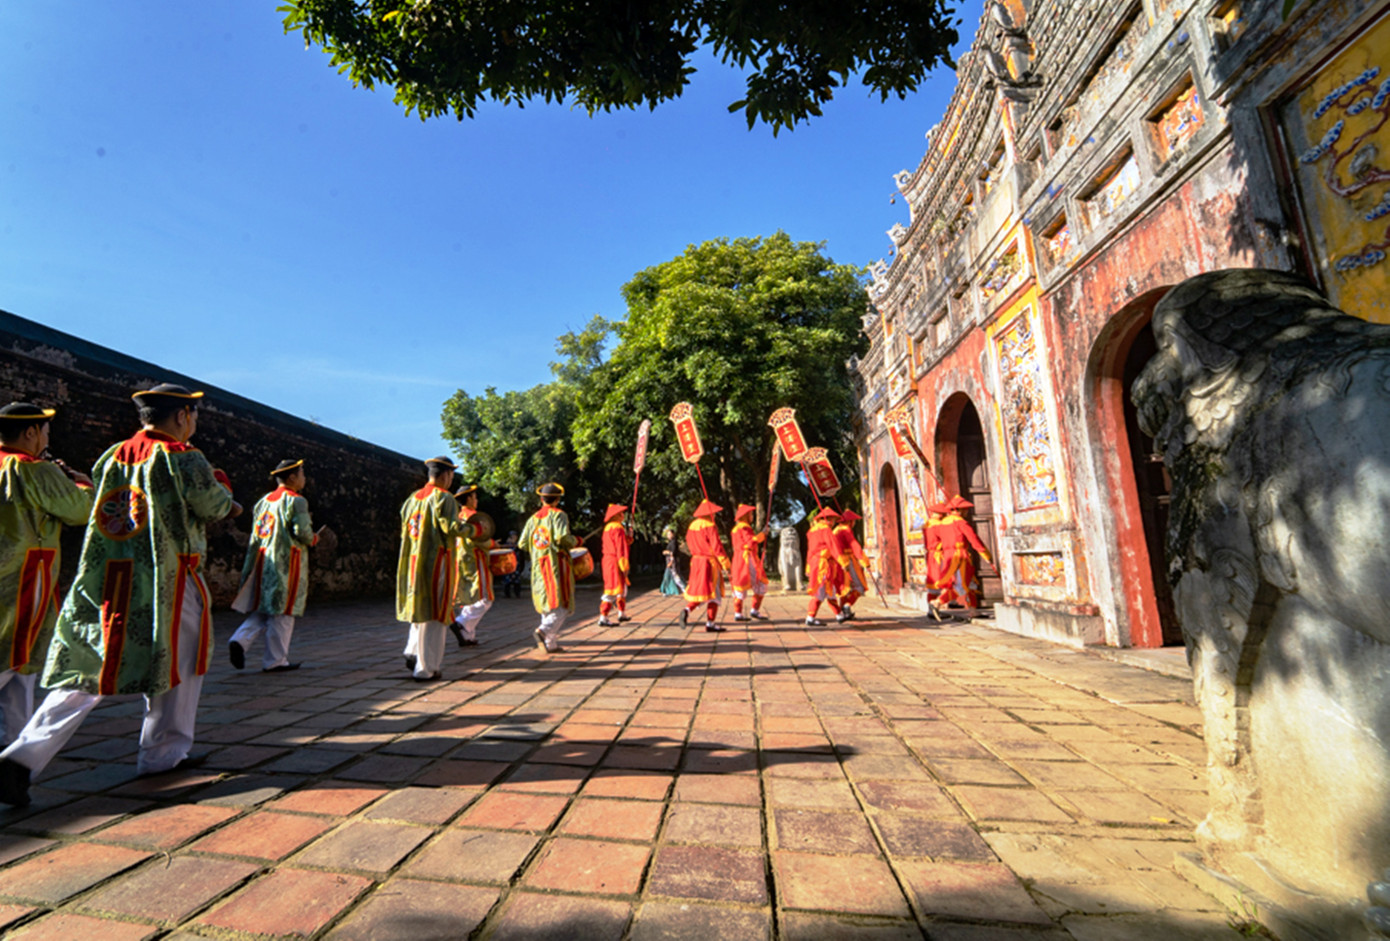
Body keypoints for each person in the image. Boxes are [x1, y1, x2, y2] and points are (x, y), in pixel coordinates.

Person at [0, 383, 236, 806]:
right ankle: (164, 752)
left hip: (109, 577)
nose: (194, 423)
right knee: (181, 663)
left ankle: (22, 757)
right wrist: (225, 491)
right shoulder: (185, 458)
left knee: (91, 670)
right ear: (181, 416)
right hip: (169, 578)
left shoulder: (111, 456)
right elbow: (213, 506)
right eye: (193, 415)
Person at [0, 403, 93, 749]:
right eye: (44, 431)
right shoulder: (34, 470)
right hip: (22, 578)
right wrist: (82, 485)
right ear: (30, 433)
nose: (46, 439)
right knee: (13, 656)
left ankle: (11, 751)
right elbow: (80, 510)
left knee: (22, 674)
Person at [229, 459, 324, 673]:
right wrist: (314, 539)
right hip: (286, 562)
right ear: (292, 477)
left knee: (266, 608)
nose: (304, 478)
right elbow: (302, 532)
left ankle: (240, 639)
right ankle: (275, 660)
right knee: (283, 611)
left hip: (262, 560)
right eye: (301, 473)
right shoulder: (296, 501)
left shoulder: (263, 502)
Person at [397, 457, 467, 681]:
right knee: (436, 613)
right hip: (436, 561)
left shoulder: (411, 500)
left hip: (413, 560)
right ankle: (427, 668)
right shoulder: (444, 498)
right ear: (446, 475)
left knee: (419, 607)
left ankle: (413, 651)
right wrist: (475, 530)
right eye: (451, 475)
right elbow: (451, 527)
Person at [519, 482, 578, 653]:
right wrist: (575, 541)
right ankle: (543, 631)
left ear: (542, 498)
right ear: (557, 499)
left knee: (546, 604)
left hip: (538, 565)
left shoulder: (532, 519)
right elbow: (562, 538)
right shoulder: (559, 515)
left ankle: (550, 644)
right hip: (555, 564)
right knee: (561, 605)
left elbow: (522, 543)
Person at [450, 484, 494, 647]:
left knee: (469, 596)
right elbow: (481, 540)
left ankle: (468, 635)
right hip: (476, 558)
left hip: (460, 560)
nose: (476, 500)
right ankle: (462, 622)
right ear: (468, 498)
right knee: (485, 597)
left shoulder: (456, 516)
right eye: (474, 497)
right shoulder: (475, 518)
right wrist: (493, 544)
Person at [932, 495, 994, 608]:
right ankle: (938, 602)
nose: (966, 512)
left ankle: (972, 610)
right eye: (965, 509)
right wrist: (986, 556)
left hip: (947, 557)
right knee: (962, 586)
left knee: (970, 583)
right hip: (959, 557)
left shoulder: (942, 524)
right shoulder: (960, 523)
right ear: (959, 510)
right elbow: (974, 539)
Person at [681, 500, 730, 633]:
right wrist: (725, 563)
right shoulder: (710, 525)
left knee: (700, 591)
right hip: (709, 562)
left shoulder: (691, 526)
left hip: (696, 561)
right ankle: (710, 623)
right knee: (714, 594)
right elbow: (716, 546)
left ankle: (687, 610)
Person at [804, 506, 846, 625]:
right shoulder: (826, 530)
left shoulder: (811, 531)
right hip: (822, 565)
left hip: (815, 563)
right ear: (829, 519)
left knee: (830, 591)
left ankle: (839, 615)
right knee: (820, 592)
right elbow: (834, 546)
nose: (833, 523)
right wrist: (843, 562)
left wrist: (808, 566)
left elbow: (810, 550)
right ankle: (810, 618)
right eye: (833, 520)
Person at [729, 504, 769, 621]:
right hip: (747, 559)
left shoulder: (735, 529)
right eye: (750, 514)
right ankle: (754, 610)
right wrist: (763, 534)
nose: (752, 516)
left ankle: (738, 614)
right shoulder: (745, 527)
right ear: (746, 515)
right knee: (762, 583)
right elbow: (751, 542)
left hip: (738, 559)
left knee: (739, 586)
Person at [597, 503, 632, 626]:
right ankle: (603, 617)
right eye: (621, 513)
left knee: (621, 589)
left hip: (608, 560)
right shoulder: (618, 527)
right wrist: (624, 565)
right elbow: (620, 547)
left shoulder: (608, 527)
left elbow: (619, 542)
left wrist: (628, 539)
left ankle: (621, 613)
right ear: (616, 515)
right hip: (615, 561)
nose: (623, 515)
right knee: (612, 590)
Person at [834, 509, 870, 620]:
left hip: (837, 561)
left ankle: (843, 611)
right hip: (848, 560)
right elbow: (854, 545)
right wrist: (864, 560)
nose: (854, 523)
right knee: (859, 586)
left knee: (844, 587)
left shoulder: (835, 530)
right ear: (850, 522)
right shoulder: (846, 530)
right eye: (853, 521)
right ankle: (847, 606)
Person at [659, 527, 685, 595]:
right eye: (667, 534)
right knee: (668, 576)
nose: (668, 536)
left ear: (673, 534)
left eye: (669, 534)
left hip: (672, 562)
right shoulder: (671, 542)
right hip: (669, 561)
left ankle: (683, 588)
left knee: (674, 576)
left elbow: (672, 553)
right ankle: (667, 591)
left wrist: (667, 552)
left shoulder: (674, 542)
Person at [778, 523, 804, 592]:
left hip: (795, 551)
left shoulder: (797, 548)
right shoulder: (782, 549)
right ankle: (787, 583)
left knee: (798, 568)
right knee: (785, 569)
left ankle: (799, 583)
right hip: (785, 552)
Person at [499, 530, 522, 598]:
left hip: (516, 563)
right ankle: (507, 594)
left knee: (516, 579)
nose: (514, 537)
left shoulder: (518, 543)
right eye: (512, 536)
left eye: (515, 536)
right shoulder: (507, 543)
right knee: (507, 579)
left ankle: (517, 593)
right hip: (508, 563)